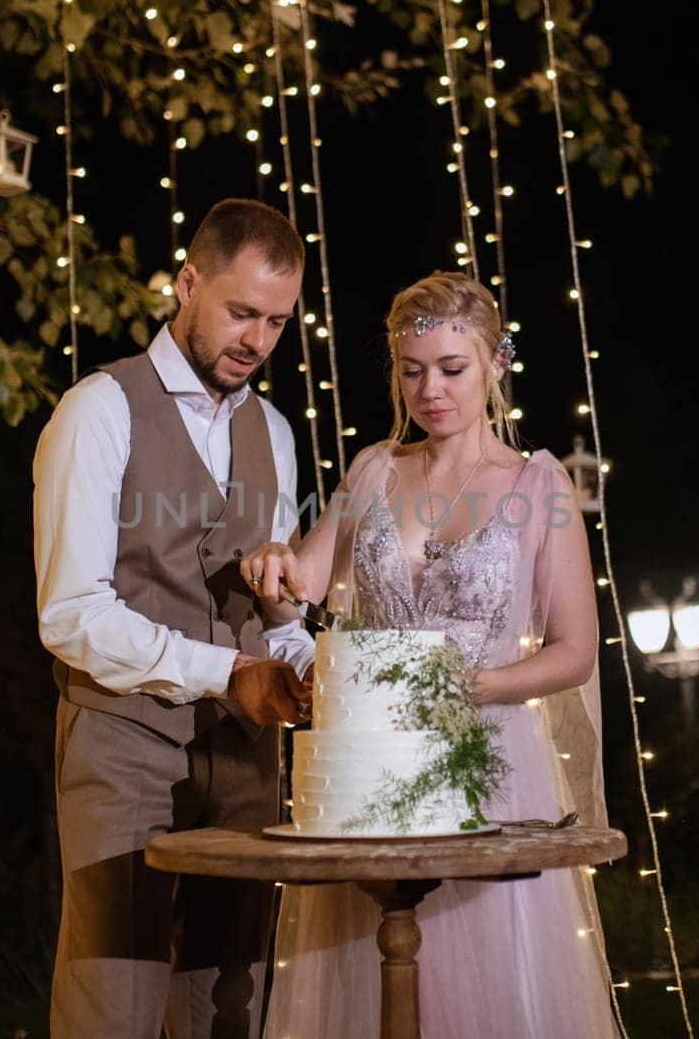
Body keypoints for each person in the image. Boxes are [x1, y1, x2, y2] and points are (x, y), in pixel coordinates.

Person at [239, 270, 619, 1037]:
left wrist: (472, 686)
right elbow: (302, 587)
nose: (430, 390)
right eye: (412, 371)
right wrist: (271, 567)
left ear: (493, 364)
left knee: (482, 985)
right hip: (374, 769)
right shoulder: (374, 470)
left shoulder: (538, 486)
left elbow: (575, 652)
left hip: (492, 765)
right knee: (367, 977)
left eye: (451, 368)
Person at [34, 198, 316, 1039]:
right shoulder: (99, 409)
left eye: (276, 322)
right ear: (188, 283)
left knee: (231, 999)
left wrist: (299, 651)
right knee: (112, 995)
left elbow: (277, 610)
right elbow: (71, 614)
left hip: (243, 754)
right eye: (240, 312)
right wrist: (224, 670)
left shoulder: (274, 429)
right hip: (123, 739)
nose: (257, 341)